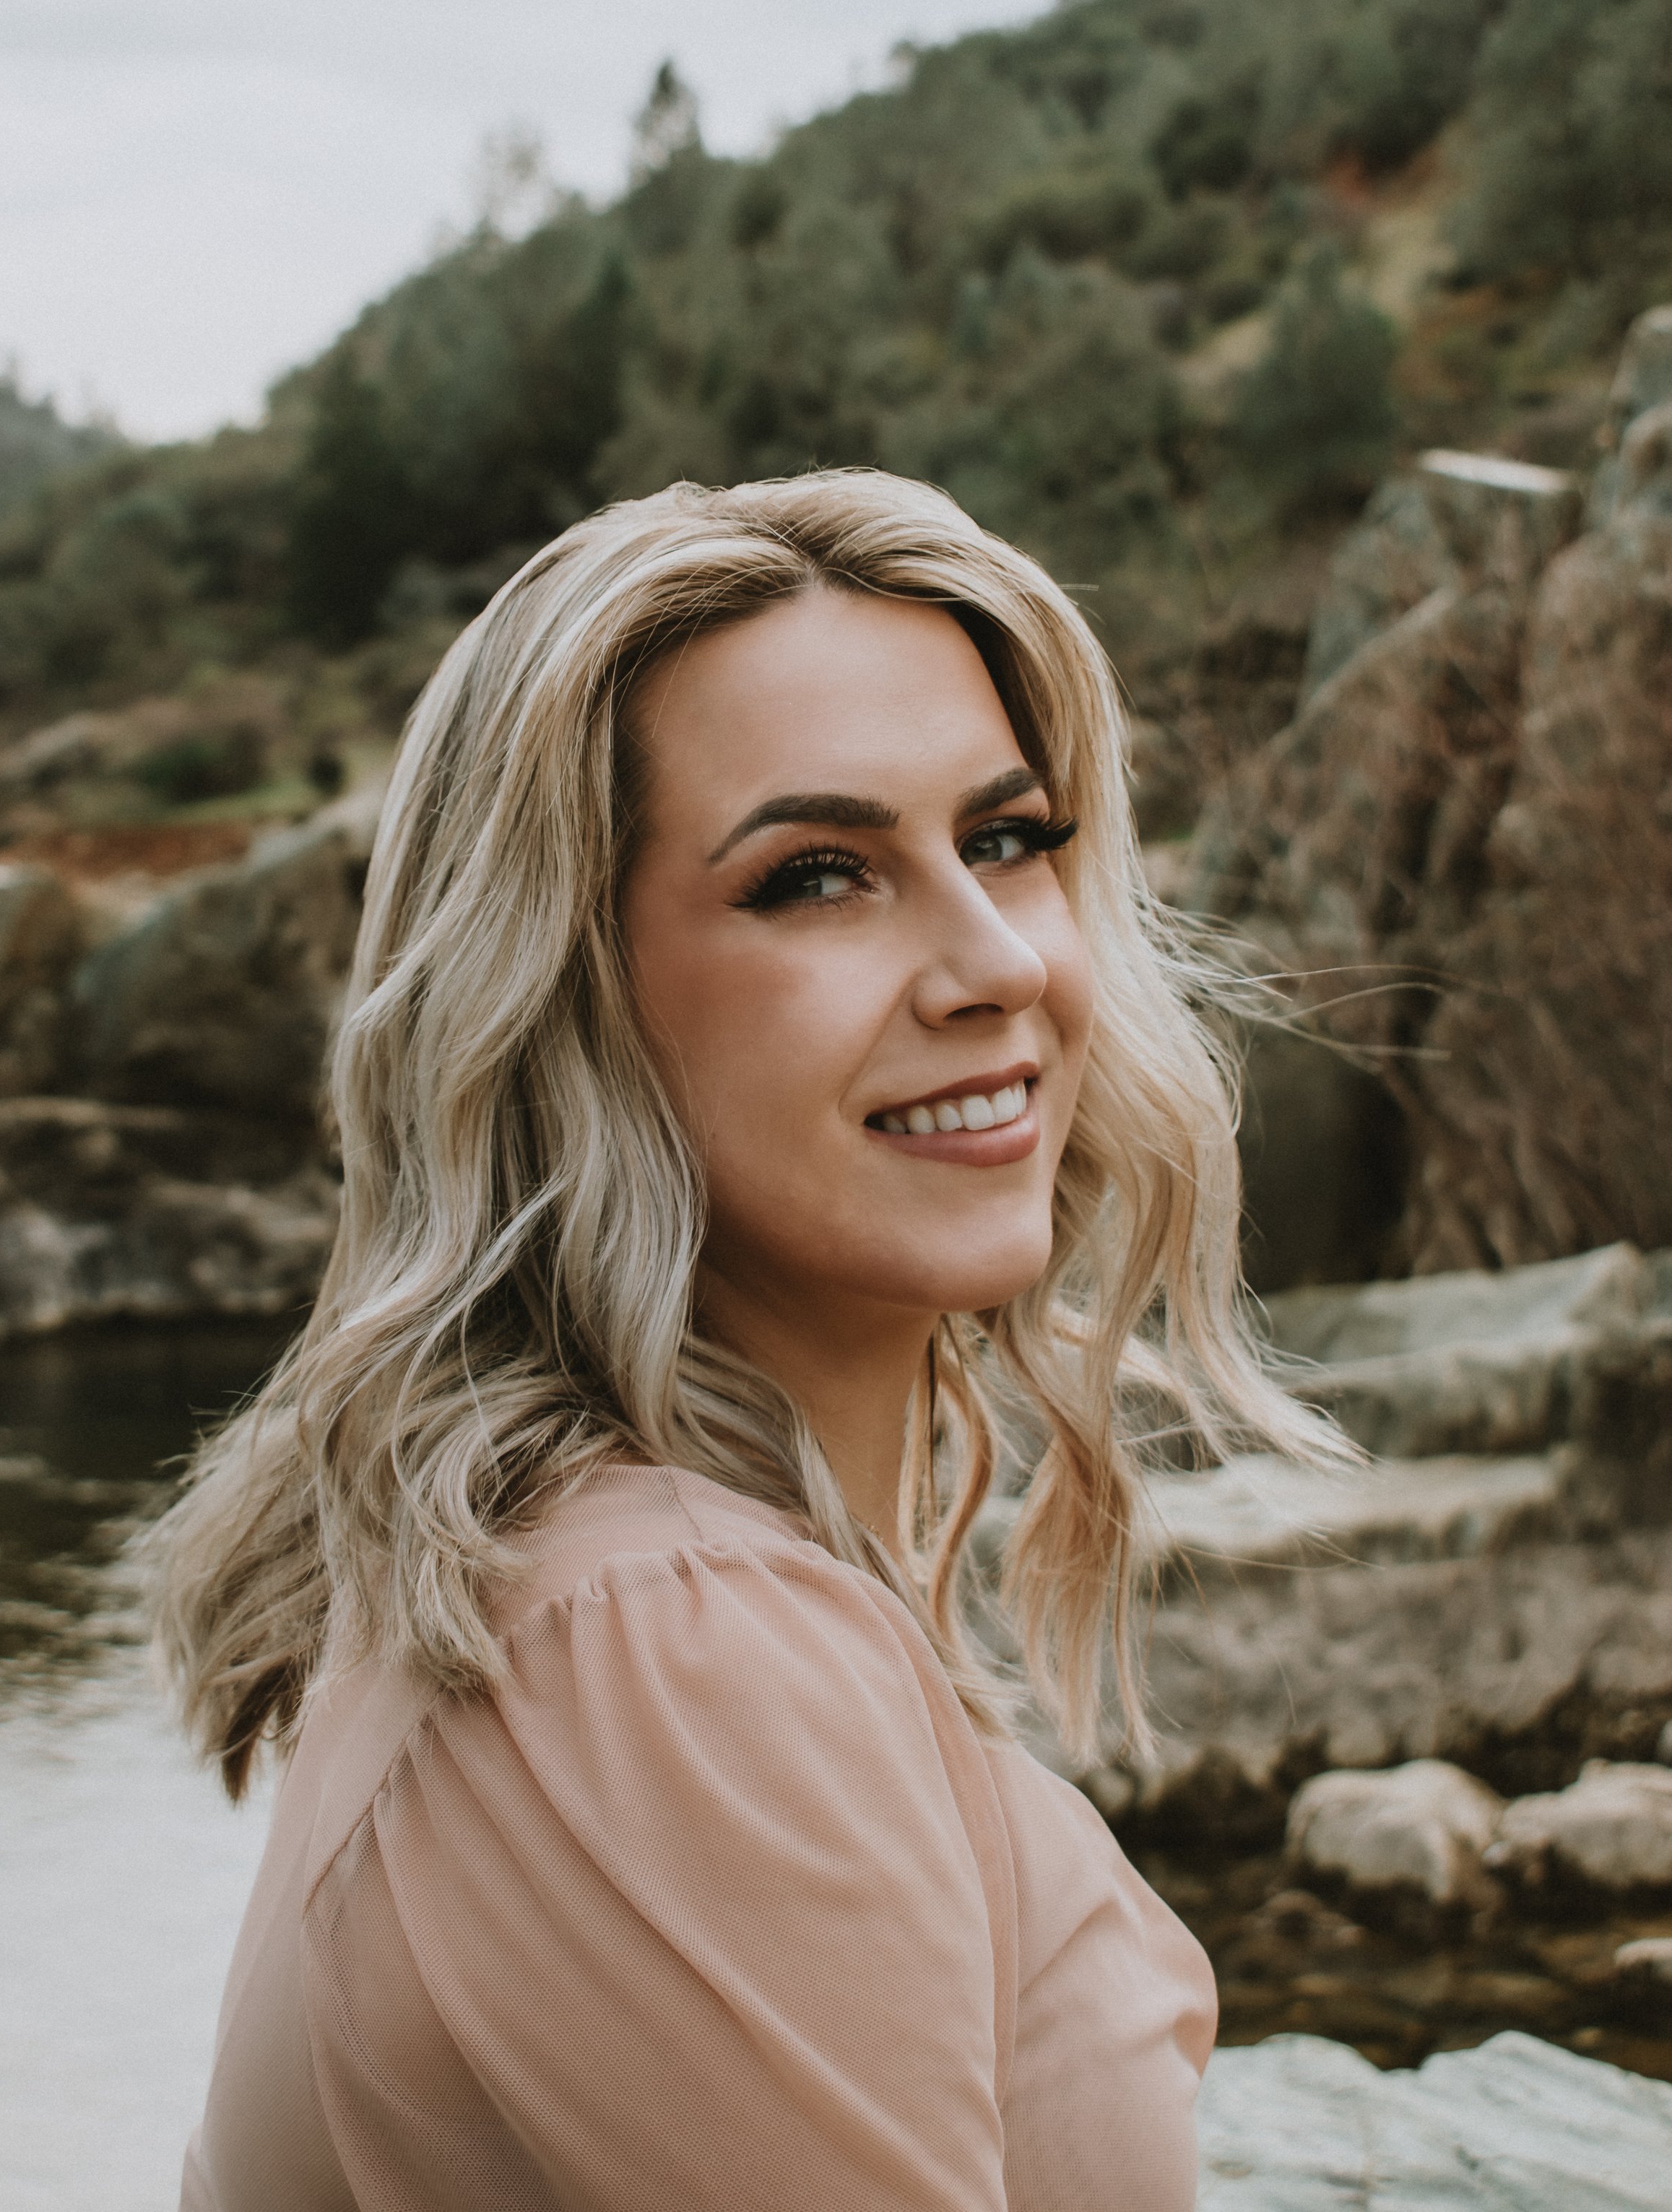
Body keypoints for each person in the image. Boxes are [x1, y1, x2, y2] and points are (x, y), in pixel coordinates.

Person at [157, 470, 1346, 2211]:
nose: (993, 959)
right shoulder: (661, 1638)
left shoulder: (605, 1572)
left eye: (1007, 838)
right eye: (815, 876)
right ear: (563, 993)